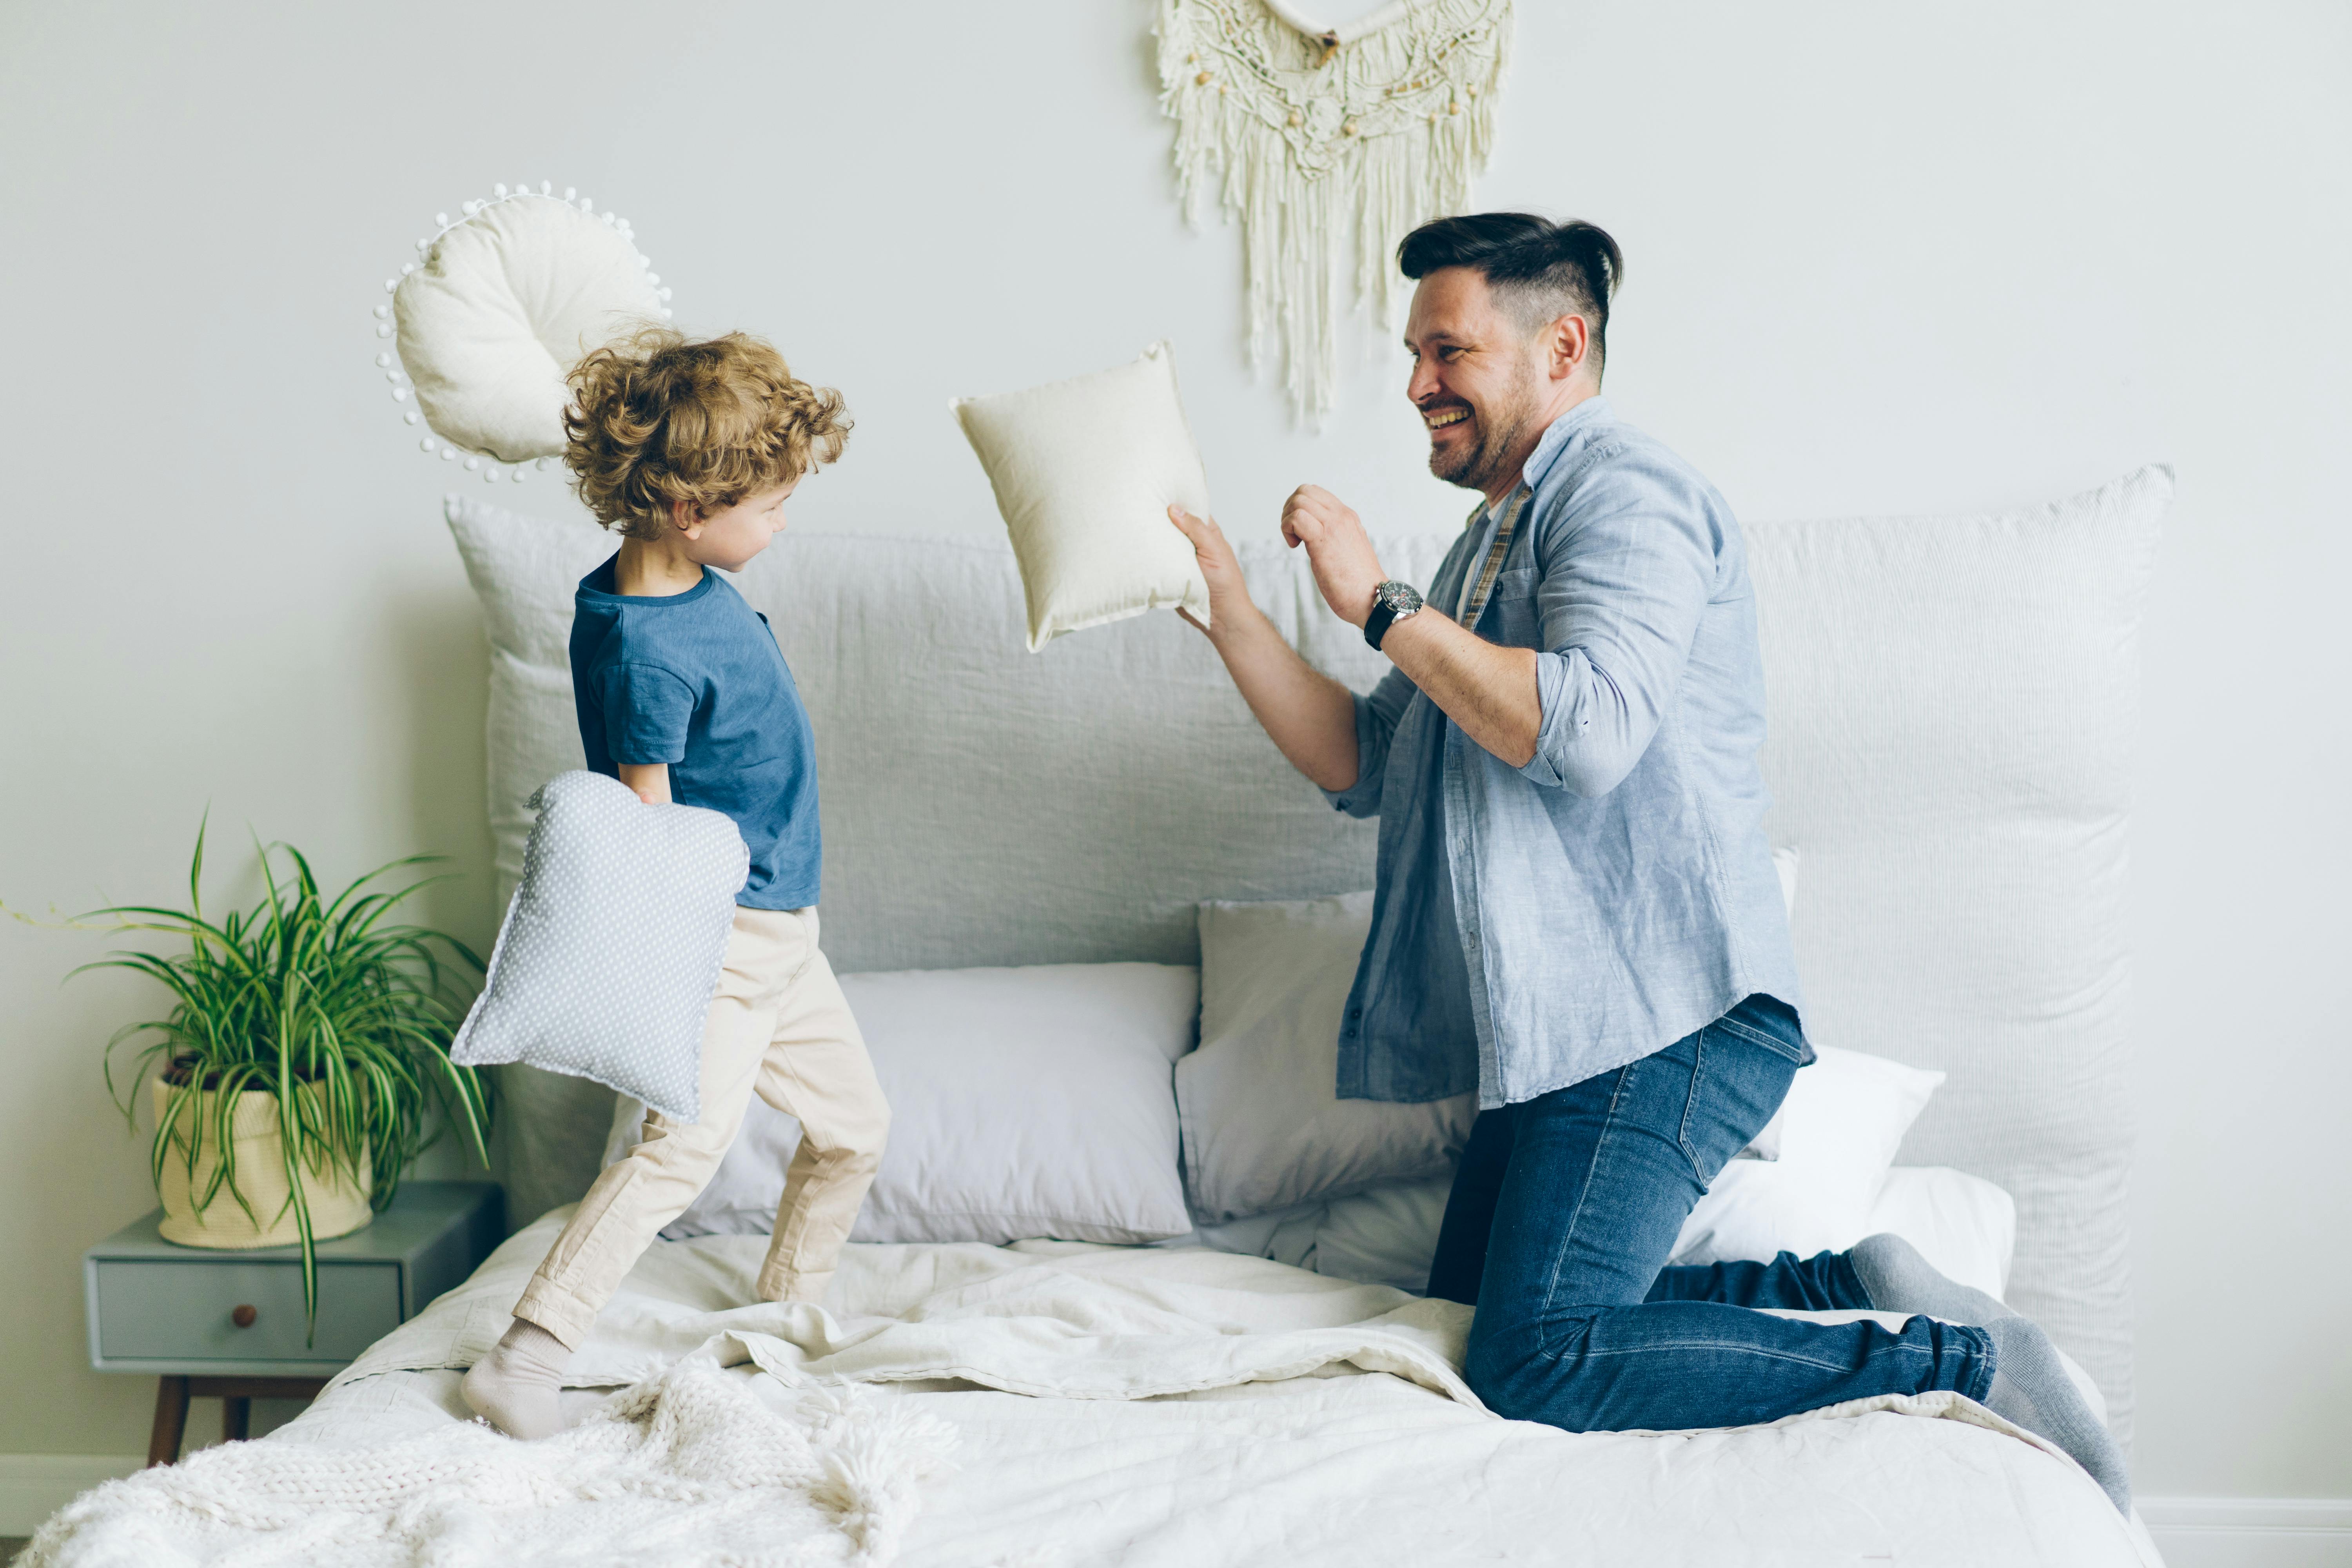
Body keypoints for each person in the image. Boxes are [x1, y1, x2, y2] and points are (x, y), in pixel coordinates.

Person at [1167, 214, 2128, 1512]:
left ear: (1561, 345)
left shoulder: (1628, 491)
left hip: (1662, 1015)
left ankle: (1956, 1360)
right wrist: (1233, 610)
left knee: (1530, 1361)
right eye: (1413, 353)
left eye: (1447, 349)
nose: (1415, 385)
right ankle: (1835, 1292)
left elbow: (1591, 731)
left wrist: (1382, 605)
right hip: (1562, 1031)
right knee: (1468, 1323)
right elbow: (1368, 766)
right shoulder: (1491, 537)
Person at [463, 328, 890, 1440]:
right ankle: (531, 1349)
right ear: (690, 508)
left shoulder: (683, 582)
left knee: (854, 1129)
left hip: (786, 923)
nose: (784, 521)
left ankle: (783, 1320)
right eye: (770, 504)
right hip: (728, 936)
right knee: (682, 1152)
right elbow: (643, 832)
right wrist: (684, 969)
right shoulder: (639, 646)